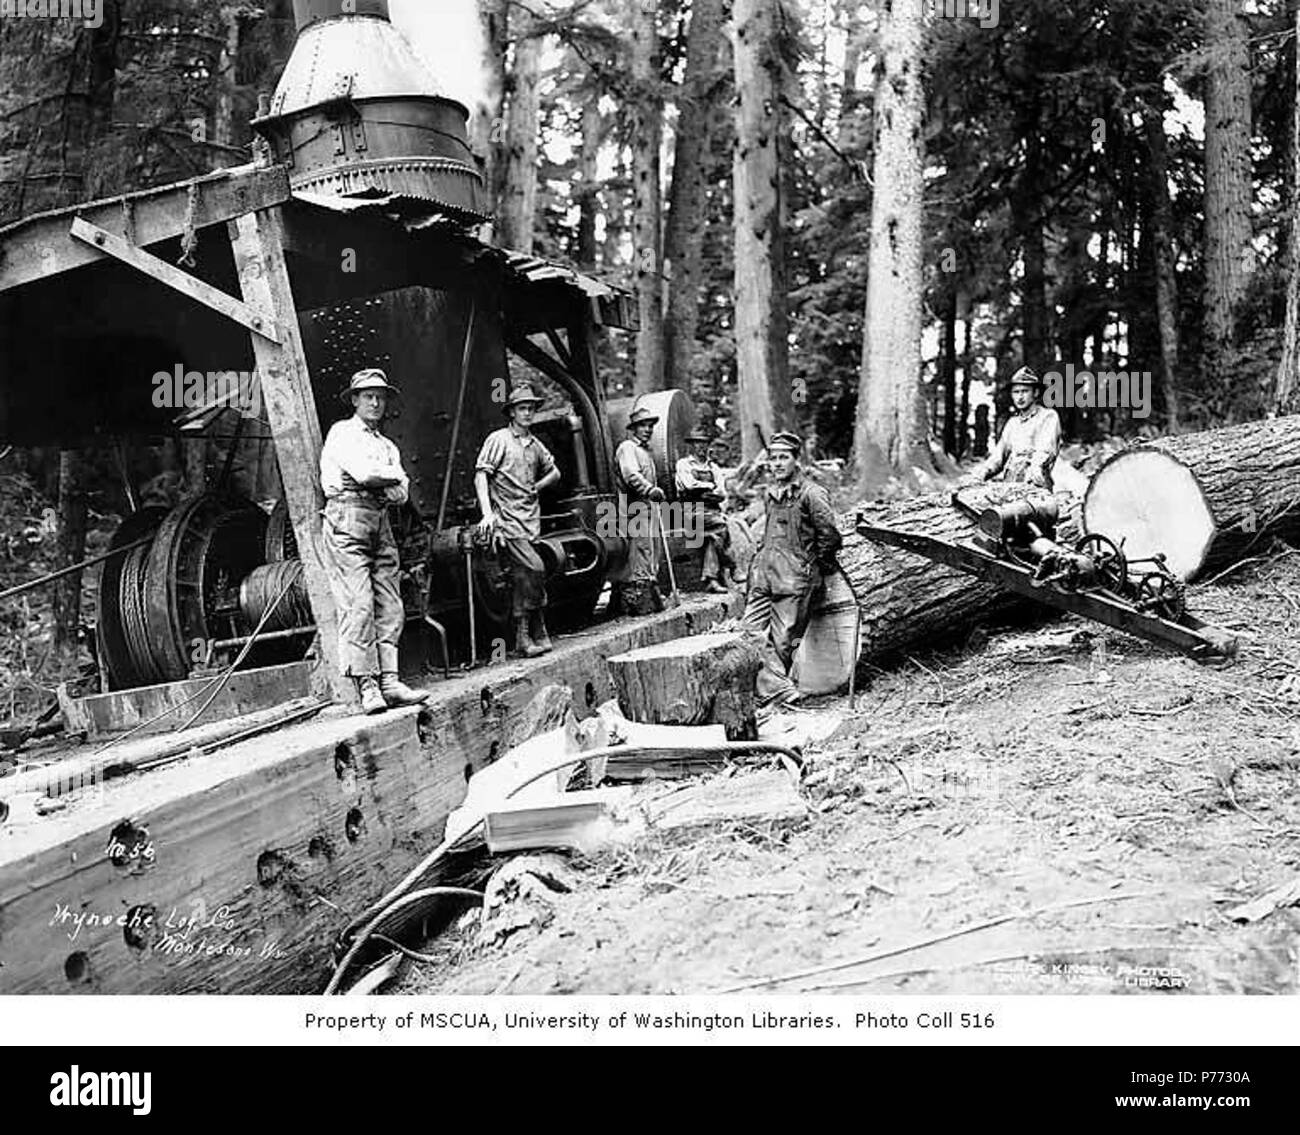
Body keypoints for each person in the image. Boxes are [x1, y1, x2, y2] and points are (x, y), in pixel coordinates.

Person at [320, 368, 429, 714]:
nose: (375, 402)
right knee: (359, 603)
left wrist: (386, 480)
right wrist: (391, 477)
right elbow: (365, 474)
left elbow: (401, 494)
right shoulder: (342, 433)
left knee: (390, 602)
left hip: (379, 520)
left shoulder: (386, 445)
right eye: (368, 396)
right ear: (354, 400)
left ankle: (390, 682)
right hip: (346, 518)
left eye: (380, 396)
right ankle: (366, 686)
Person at [741, 431, 843, 706]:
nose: (777, 464)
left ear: (796, 461)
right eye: (773, 459)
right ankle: (777, 690)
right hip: (765, 577)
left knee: (783, 641)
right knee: (748, 632)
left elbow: (830, 535)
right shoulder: (770, 495)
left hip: (796, 579)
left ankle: (773, 693)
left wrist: (812, 568)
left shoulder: (812, 493)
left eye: (783, 458)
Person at [474, 384, 562, 658]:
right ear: (511, 412)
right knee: (534, 568)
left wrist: (537, 486)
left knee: (526, 575)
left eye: (531, 409)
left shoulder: (535, 445)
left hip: (530, 520)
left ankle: (529, 636)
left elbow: (555, 472)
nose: (527, 413)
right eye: (522, 408)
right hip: (507, 521)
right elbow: (481, 475)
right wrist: (488, 513)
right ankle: (533, 628)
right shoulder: (499, 439)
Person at [964, 366, 1062, 490]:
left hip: (1036, 483)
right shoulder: (1013, 423)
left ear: (1035, 393)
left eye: (1025, 391)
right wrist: (981, 473)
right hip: (1010, 483)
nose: (1020, 397)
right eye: (1016, 392)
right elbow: (998, 456)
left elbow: (1046, 449)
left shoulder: (1048, 416)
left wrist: (1035, 469)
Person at [611, 403, 664, 616]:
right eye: (643, 425)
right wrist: (650, 489)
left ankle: (645, 600)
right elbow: (631, 475)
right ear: (633, 428)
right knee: (639, 554)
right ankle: (637, 604)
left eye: (650, 425)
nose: (648, 429)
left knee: (651, 552)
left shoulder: (645, 451)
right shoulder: (627, 448)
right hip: (633, 508)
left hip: (647, 508)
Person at [675, 428, 733, 593]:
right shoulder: (684, 464)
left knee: (713, 536)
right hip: (691, 510)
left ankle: (711, 579)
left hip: (712, 511)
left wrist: (710, 494)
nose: (701, 447)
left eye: (704, 443)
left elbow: (722, 493)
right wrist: (708, 487)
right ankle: (732, 565)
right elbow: (689, 485)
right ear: (691, 446)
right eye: (697, 443)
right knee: (721, 526)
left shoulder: (713, 467)